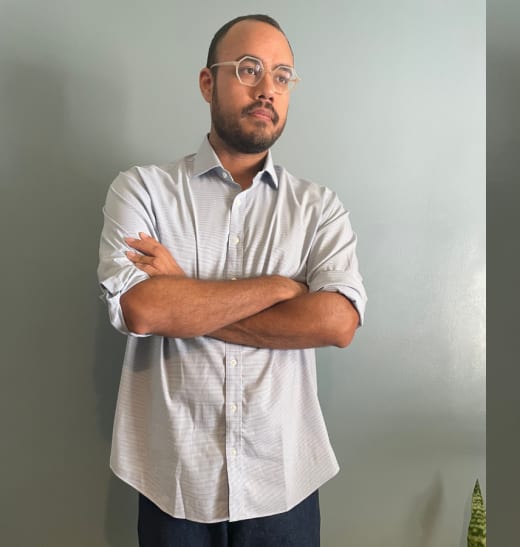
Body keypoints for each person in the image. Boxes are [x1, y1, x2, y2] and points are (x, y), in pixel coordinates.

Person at [97, 14, 366, 546]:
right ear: (208, 82)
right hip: (173, 484)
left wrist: (186, 294)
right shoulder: (141, 191)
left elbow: (337, 322)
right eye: (249, 69)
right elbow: (144, 310)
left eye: (283, 76)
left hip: (283, 483)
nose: (268, 88)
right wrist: (282, 287)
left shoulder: (318, 208)